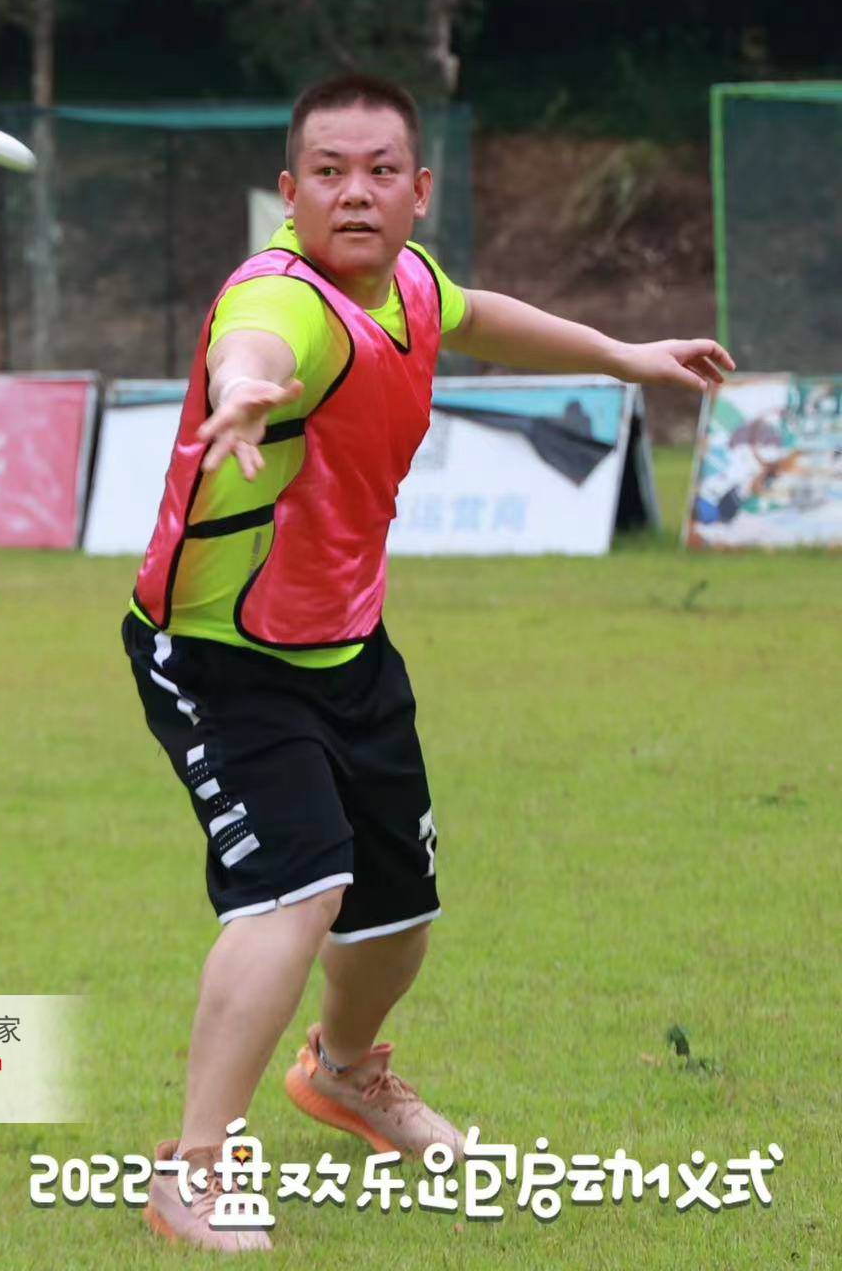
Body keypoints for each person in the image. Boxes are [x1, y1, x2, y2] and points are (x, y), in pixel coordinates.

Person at [121, 73, 734, 1253]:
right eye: (328, 172)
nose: (354, 192)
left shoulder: (408, 282)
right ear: (288, 191)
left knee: (398, 912)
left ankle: (343, 1071)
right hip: (219, 652)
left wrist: (622, 354)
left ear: (419, 190)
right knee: (297, 889)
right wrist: (240, 388)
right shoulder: (281, 297)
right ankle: (189, 1166)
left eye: (379, 171)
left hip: (348, 643)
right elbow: (256, 340)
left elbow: (475, 313)